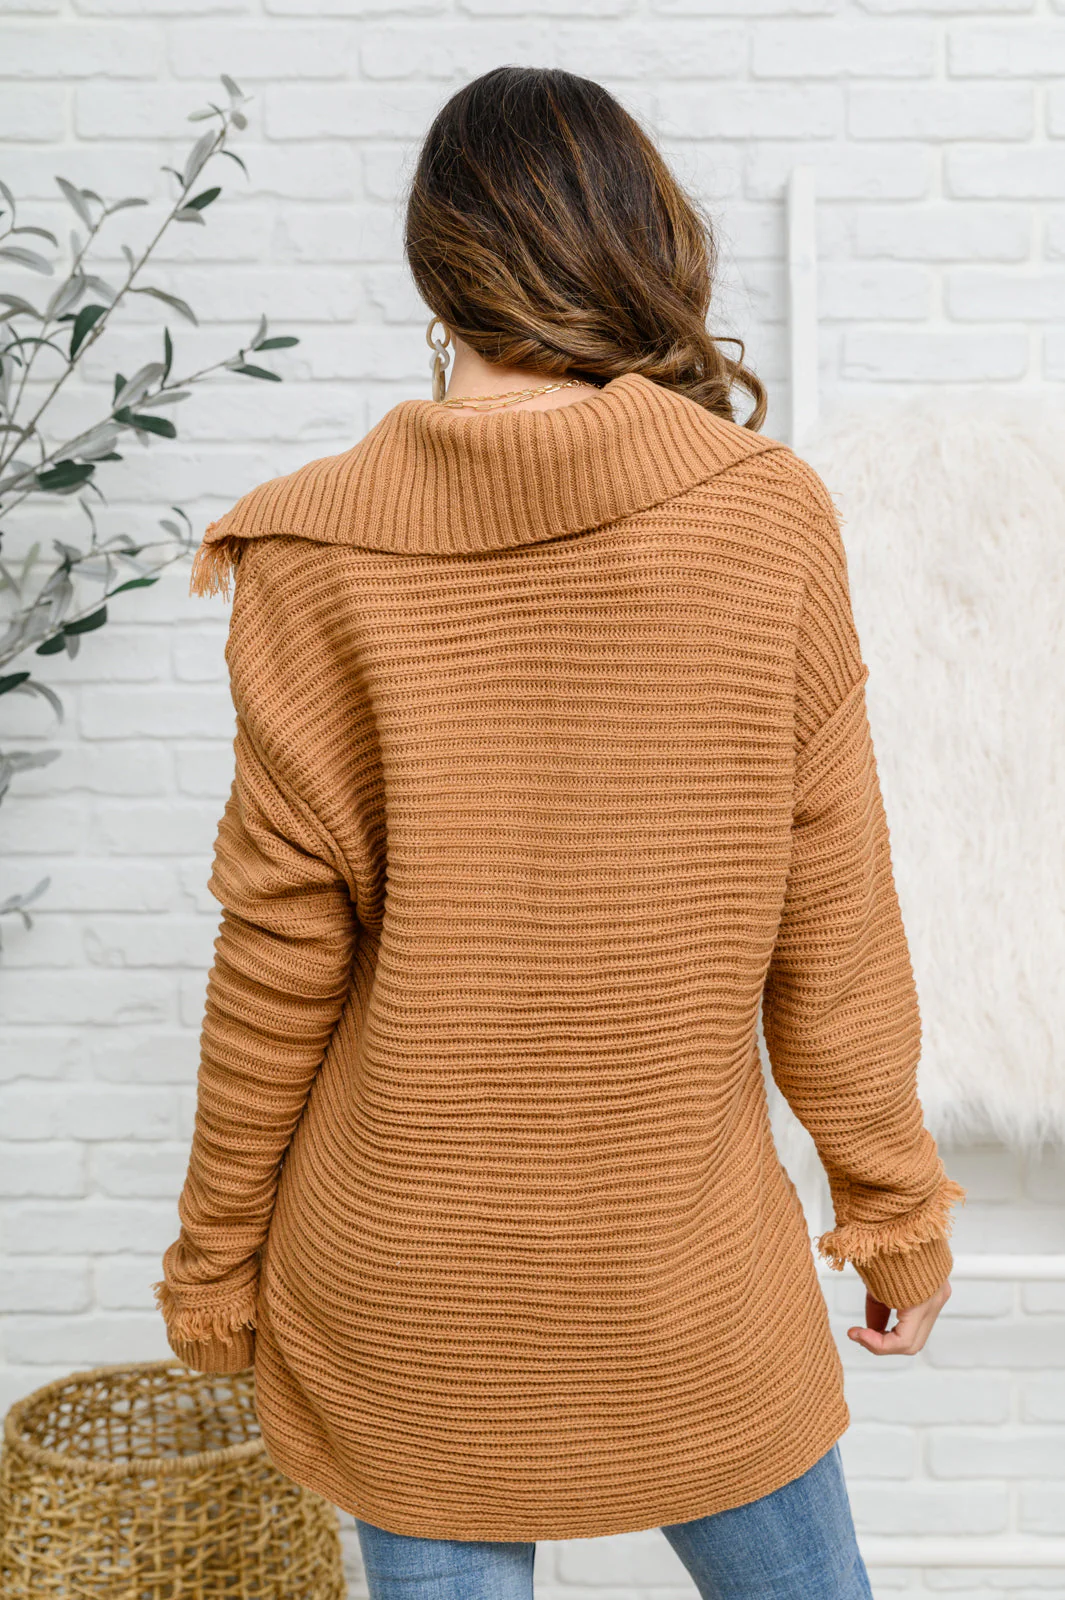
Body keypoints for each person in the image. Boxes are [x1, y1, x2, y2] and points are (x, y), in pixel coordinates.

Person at [154, 65, 965, 1599]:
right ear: (637, 240)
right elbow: (835, 927)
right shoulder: (766, 513)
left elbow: (275, 969)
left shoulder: (308, 548)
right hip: (687, 1280)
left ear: (434, 270)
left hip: (406, 1295)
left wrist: (215, 1267)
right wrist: (894, 1217)